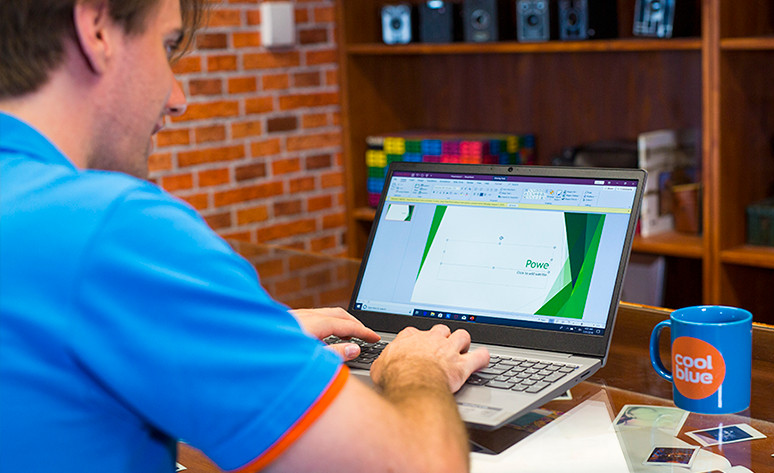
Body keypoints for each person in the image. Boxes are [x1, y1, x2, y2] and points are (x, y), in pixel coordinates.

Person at [0, 1, 490, 472]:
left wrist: (240, 337)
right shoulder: (116, 230)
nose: (178, 98)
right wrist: (418, 367)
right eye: (167, 45)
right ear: (98, 28)